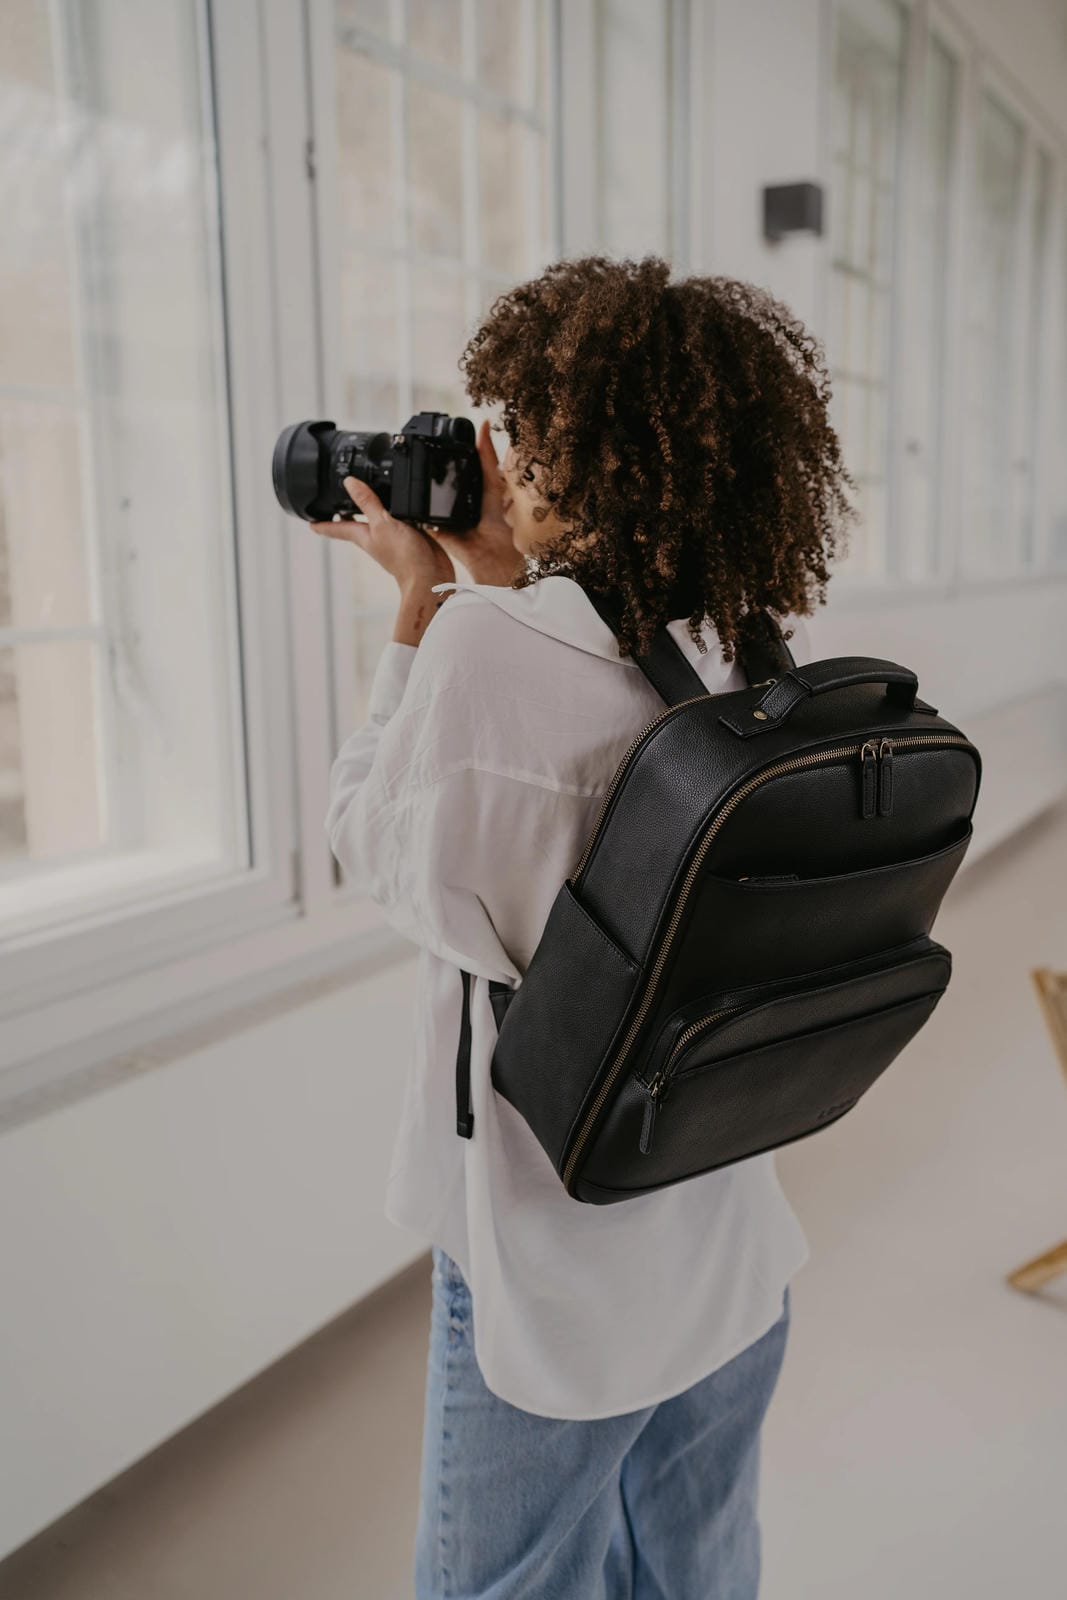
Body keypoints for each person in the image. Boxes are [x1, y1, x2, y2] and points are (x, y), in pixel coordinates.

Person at [315, 255, 854, 1599]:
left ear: (568, 453)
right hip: (730, 1246)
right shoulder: (749, 647)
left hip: (554, 1278)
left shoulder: (491, 653)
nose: (492, 454)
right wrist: (505, 583)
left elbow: (369, 851)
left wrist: (427, 602)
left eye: (515, 427)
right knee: (697, 1572)